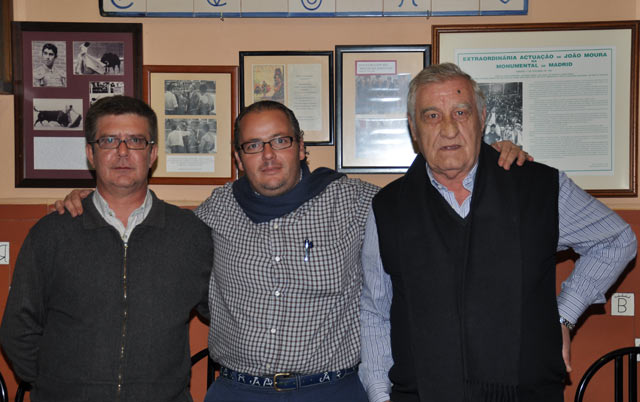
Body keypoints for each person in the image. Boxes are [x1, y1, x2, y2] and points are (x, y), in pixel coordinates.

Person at [54, 100, 528, 402]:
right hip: (239, 391)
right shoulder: (213, 212)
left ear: (301, 147)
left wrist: (490, 157)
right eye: (254, 146)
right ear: (238, 158)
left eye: (280, 141)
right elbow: (148, 238)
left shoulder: (356, 201)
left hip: (334, 390)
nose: (268, 155)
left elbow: (432, 191)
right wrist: (87, 201)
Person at [359, 63, 637, 402]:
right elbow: (376, 310)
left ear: (482, 118)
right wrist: (379, 396)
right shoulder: (388, 207)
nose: (448, 129)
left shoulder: (537, 187)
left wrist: (563, 316)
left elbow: (616, 239)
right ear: (414, 129)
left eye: (460, 112)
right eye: (431, 116)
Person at [0, 95, 213, 402]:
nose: (123, 152)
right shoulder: (52, 233)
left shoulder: (191, 234)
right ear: (91, 153)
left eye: (136, 141)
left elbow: (225, 313)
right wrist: (55, 383)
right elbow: (18, 326)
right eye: (109, 140)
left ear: (152, 153)